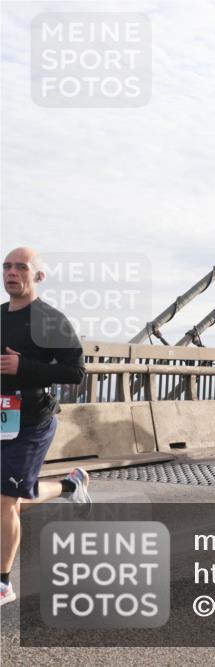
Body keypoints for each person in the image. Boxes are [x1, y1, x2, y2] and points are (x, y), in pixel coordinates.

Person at [1, 247, 90, 607]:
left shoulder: (51, 321)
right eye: (6, 266)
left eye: (20, 267)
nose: (11, 272)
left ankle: (3, 584)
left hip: (33, 420)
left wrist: (26, 368)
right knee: (8, 500)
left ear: (38, 276)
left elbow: (76, 373)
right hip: (0, 418)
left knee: (5, 500)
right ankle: (70, 484)